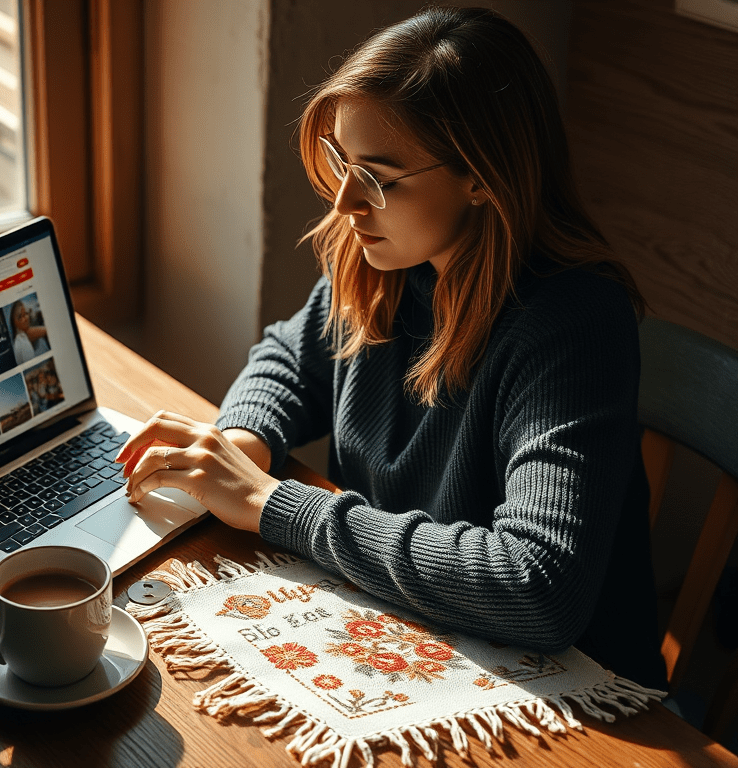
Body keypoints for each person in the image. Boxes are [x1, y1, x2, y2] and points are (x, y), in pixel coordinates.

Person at [116, 6, 667, 690]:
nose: (346, 201)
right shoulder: (388, 260)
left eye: (377, 176)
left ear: (480, 176)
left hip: (569, 693)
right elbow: (290, 358)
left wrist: (271, 504)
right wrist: (242, 444)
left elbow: (535, 586)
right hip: (415, 633)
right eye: (341, 161)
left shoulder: (575, 321)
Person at [10, 300, 50, 366]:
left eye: (25, 313)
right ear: (14, 323)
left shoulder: (26, 333)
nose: (25, 318)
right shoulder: (21, 338)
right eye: (20, 317)